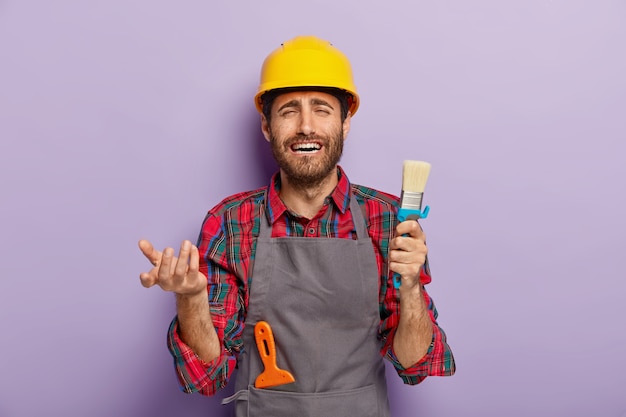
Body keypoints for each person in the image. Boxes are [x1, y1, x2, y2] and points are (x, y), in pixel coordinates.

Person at [138, 35, 455, 417]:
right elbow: (206, 377)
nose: (306, 126)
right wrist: (190, 300)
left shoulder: (388, 219)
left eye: (321, 109)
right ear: (267, 126)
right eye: (289, 110)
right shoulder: (231, 223)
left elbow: (415, 364)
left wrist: (411, 285)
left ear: (345, 121)